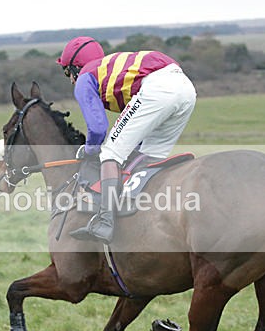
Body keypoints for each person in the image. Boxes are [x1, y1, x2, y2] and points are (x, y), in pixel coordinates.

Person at [56, 36, 197, 244]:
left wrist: (89, 151)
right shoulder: (110, 69)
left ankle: (105, 222)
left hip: (159, 87)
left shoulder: (86, 77)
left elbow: (97, 129)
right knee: (148, 157)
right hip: (186, 88)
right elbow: (135, 133)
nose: (70, 80)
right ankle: (144, 215)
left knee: (110, 153)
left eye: (68, 72)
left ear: (76, 67)